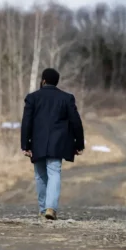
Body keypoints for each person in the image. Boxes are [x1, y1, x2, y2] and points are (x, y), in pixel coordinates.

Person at [20, 68, 85, 220]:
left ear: (43, 81)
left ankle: (43, 210)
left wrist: (25, 145)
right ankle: (51, 208)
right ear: (56, 82)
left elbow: (26, 123)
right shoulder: (67, 98)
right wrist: (79, 144)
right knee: (54, 172)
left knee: (40, 176)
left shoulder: (32, 98)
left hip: (38, 143)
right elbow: (76, 122)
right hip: (59, 143)